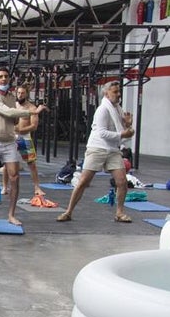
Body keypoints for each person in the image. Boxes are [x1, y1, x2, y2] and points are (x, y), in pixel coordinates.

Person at [57, 81, 136, 223]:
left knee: (122, 182)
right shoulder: (103, 110)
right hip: (97, 148)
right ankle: (68, 212)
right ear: (106, 93)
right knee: (83, 182)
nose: (118, 95)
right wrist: (123, 135)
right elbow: (102, 133)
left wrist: (128, 124)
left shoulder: (118, 109)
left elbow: (125, 131)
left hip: (112, 149)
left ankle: (119, 213)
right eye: (115, 92)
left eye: (119, 92)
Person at [0, 69, 48, 226]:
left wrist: (21, 120)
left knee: (15, 177)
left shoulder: (10, 97)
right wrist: (33, 112)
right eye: (0, 77)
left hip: (9, 140)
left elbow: (14, 119)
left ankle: (11, 215)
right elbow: (7, 112)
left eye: (6, 77)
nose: (3, 79)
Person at [12, 85, 45, 197]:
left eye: (22, 93)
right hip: (12, 137)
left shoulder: (31, 108)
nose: (20, 95)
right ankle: (4, 186)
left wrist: (21, 130)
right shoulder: (13, 106)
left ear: (26, 94)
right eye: (18, 93)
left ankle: (37, 187)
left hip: (25, 137)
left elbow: (34, 126)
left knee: (32, 164)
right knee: (9, 163)